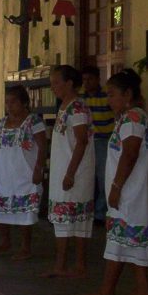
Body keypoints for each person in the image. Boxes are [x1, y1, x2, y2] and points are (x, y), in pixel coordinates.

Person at [80, 69, 148, 295]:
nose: (108, 100)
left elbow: (129, 154)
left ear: (127, 94)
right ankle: (142, 290)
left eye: (112, 94)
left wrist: (116, 187)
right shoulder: (134, 118)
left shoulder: (132, 119)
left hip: (131, 192)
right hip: (136, 191)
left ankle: (107, 292)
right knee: (133, 243)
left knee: (119, 241)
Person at [44, 65, 95, 277]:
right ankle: (62, 264)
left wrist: (70, 173)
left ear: (70, 83)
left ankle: (78, 265)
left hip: (75, 173)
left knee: (78, 219)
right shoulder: (65, 107)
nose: (53, 87)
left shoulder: (78, 108)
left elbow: (81, 141)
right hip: (63, 171)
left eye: (56, 82)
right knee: (63, 219)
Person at [0, 85, 47, 259]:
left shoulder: (34, 122)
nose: (9, 106)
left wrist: (39, 168)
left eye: (13, 102)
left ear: (24, 103)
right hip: (4, 174)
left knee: (25, 211)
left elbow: (43, 147)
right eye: (7, 102)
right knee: (2, 208)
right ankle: (5, 241)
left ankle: (25, 247)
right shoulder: (2, 123)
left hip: (25, 174)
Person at [82, 65, 114, 224]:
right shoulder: (81, 98)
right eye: (84, 80)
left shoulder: (106, 97)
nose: (87, 82)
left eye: (90, 79)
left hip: (103, 141)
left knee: (103, 177)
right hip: (86, 142)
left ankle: (101, 213)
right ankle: (87, 210)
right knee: (86, 176)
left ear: (97, 79)